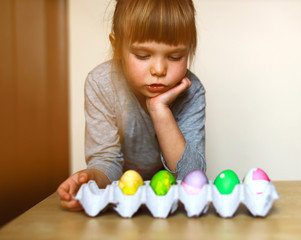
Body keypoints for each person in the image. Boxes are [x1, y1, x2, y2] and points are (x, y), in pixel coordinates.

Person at [57, 0, 206, 211]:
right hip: (122, 205)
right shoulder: (101, 84)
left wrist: (159, 110)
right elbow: (106, 160)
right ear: (117, 47)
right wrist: (91, 179)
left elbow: (191, 176)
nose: (159, 69)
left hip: (173, 209)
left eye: (175, 57)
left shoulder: (192, 90)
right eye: (143, 55)